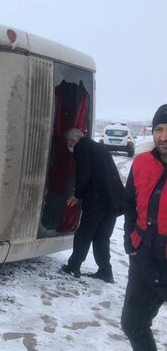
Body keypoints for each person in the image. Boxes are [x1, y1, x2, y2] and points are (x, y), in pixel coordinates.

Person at [121, 104, 167, 350]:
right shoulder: (140, 163)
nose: (164, 137)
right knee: (133, 324)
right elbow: (129, 204)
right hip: (143, 261)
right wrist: (130, 241)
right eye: (159, 129)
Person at [60, 128, 125, 282]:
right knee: (102, 237)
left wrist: (77, 194)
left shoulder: (81, 148)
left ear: (72, 140)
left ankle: (73, 267)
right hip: (113, 201)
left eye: (68, 143)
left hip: (97, 200)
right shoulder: (98, 147)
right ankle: (105, 271)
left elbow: (84, 174)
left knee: (84, 233)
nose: (69, 147)